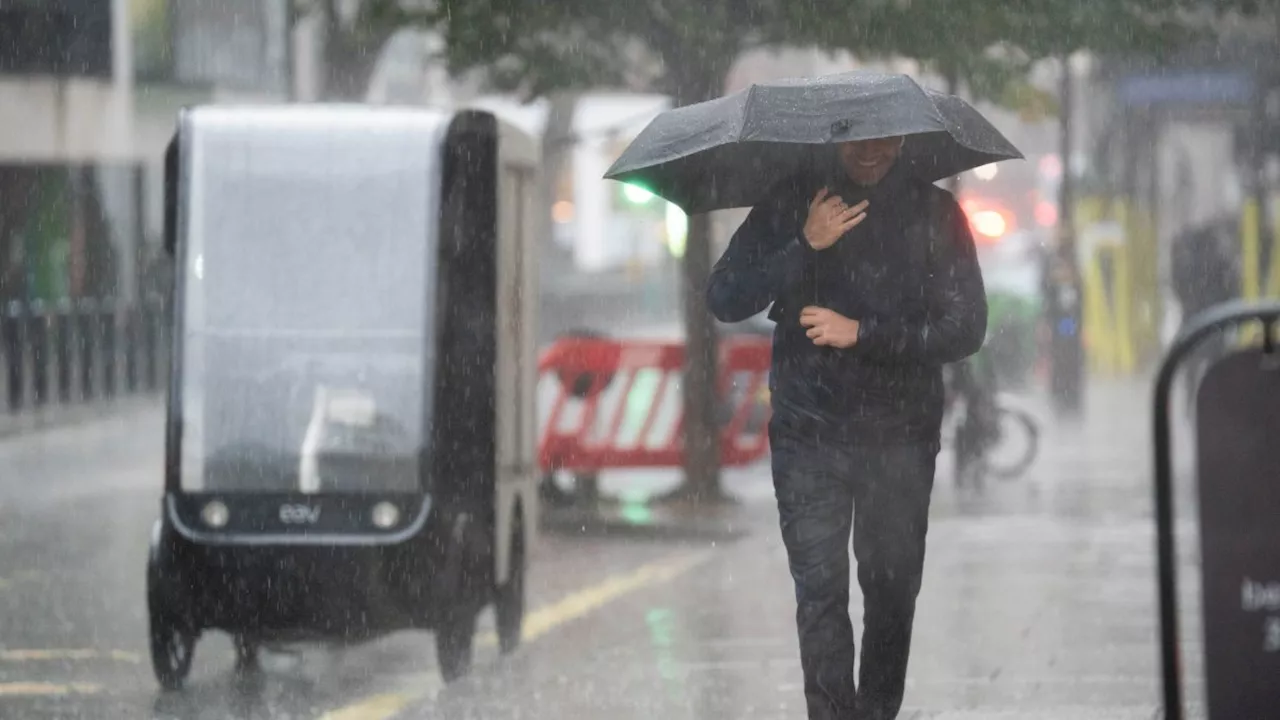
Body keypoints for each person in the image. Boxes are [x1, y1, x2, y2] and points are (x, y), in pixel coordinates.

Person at [707, 137, 987, 719]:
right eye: (857, 139)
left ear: (906, 138)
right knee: (820, 595)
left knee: (890, 595)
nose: (871, 152)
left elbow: (965, 327)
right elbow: (725, 297)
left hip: (900, 435)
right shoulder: (792, 201)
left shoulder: (934, 213)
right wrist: (804, 243)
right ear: (835, 137)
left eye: (885, 140)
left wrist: (862, 332)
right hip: (809, 434)